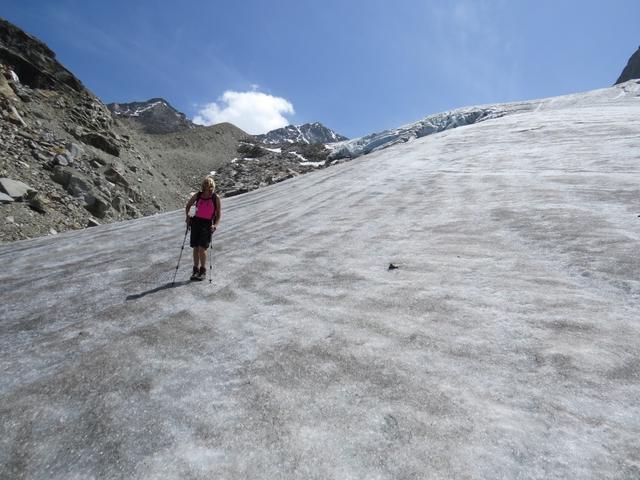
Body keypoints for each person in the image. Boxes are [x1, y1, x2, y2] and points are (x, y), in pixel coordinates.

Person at [185, 176, 221, 280]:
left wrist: (215, 225)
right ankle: (195, 270)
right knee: (196, 247)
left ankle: (203, 270)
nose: (210, 189)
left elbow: (218, 214)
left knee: (202, 248)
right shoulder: (198, 195)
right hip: (196, 222)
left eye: (211, 187)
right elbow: (188, 205)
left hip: (207, 224)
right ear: (203, 187)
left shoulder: (216, 198)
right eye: (208, 187)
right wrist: (187, 217)